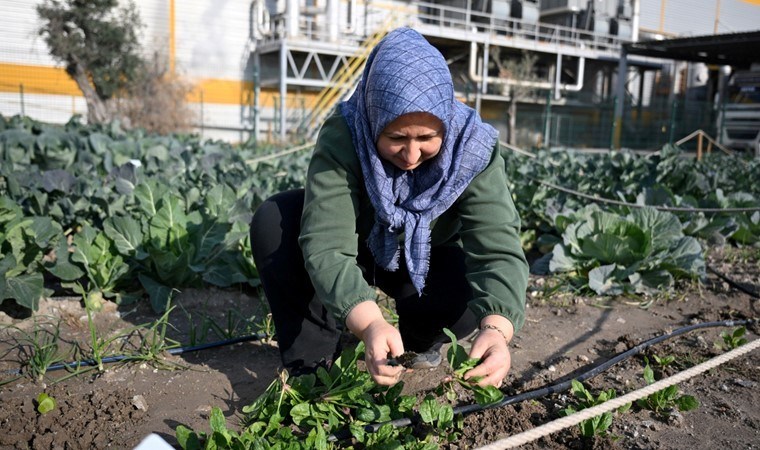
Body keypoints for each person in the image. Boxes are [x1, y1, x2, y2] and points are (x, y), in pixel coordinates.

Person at [250, 27, 528, 388]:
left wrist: (496, 330)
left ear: (446, 121)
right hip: (357, 246)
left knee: (462, 285)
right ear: (373, 119)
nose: (411, 155)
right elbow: (327, 244)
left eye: (427, 138)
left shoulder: (471, 149)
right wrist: (369, 322)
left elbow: (498, 248)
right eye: (396, 137)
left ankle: (417, 342)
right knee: (275, 222)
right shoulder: (347, 133)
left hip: (425, 260)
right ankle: (313, 363)